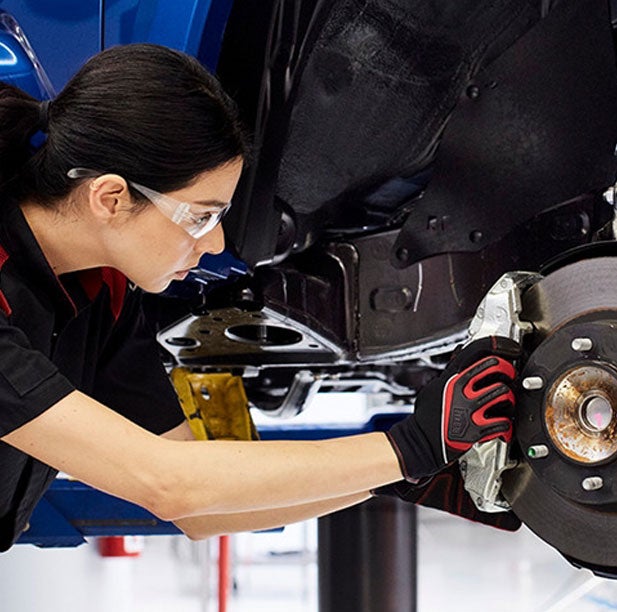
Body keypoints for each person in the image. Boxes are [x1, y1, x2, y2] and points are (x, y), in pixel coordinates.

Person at [0, 43, 519, 552]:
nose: (216, 243)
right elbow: (164, 481)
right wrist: (408, 448)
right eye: (201, 216)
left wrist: (396, 475)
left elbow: (199, 510)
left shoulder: (103, 296)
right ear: (110, 198)